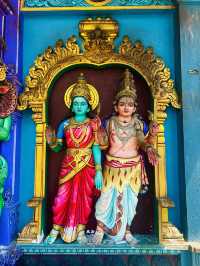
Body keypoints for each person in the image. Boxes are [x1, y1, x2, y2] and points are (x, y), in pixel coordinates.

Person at [92, 69, 159, 245]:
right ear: (116, 106)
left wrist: (150, 141)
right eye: (122, 104)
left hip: (132, 169)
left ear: (135, 107)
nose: (126, 107)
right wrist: (99, 133)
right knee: (105, 199)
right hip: (112, 168)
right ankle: (99, 231)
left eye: (130, 104)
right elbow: (104, 145)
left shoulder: (139, 124)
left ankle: (127, 232)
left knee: (130, 203)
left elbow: (143, 143)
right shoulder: (109, 122)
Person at [44, 73, 103, 244]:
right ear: (71, 105)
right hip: (68, 164)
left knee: (84, 198)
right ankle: (56, 228)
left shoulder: (93, 124)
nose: (78, 106)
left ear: (88, 106)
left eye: (82, 103)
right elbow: (58, 148)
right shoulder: (65, 125)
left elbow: (96, 147)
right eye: (75, 103)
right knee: (61, 197)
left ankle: (81, 230)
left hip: (87, 164)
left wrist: (99, 171)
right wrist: (52, 141)